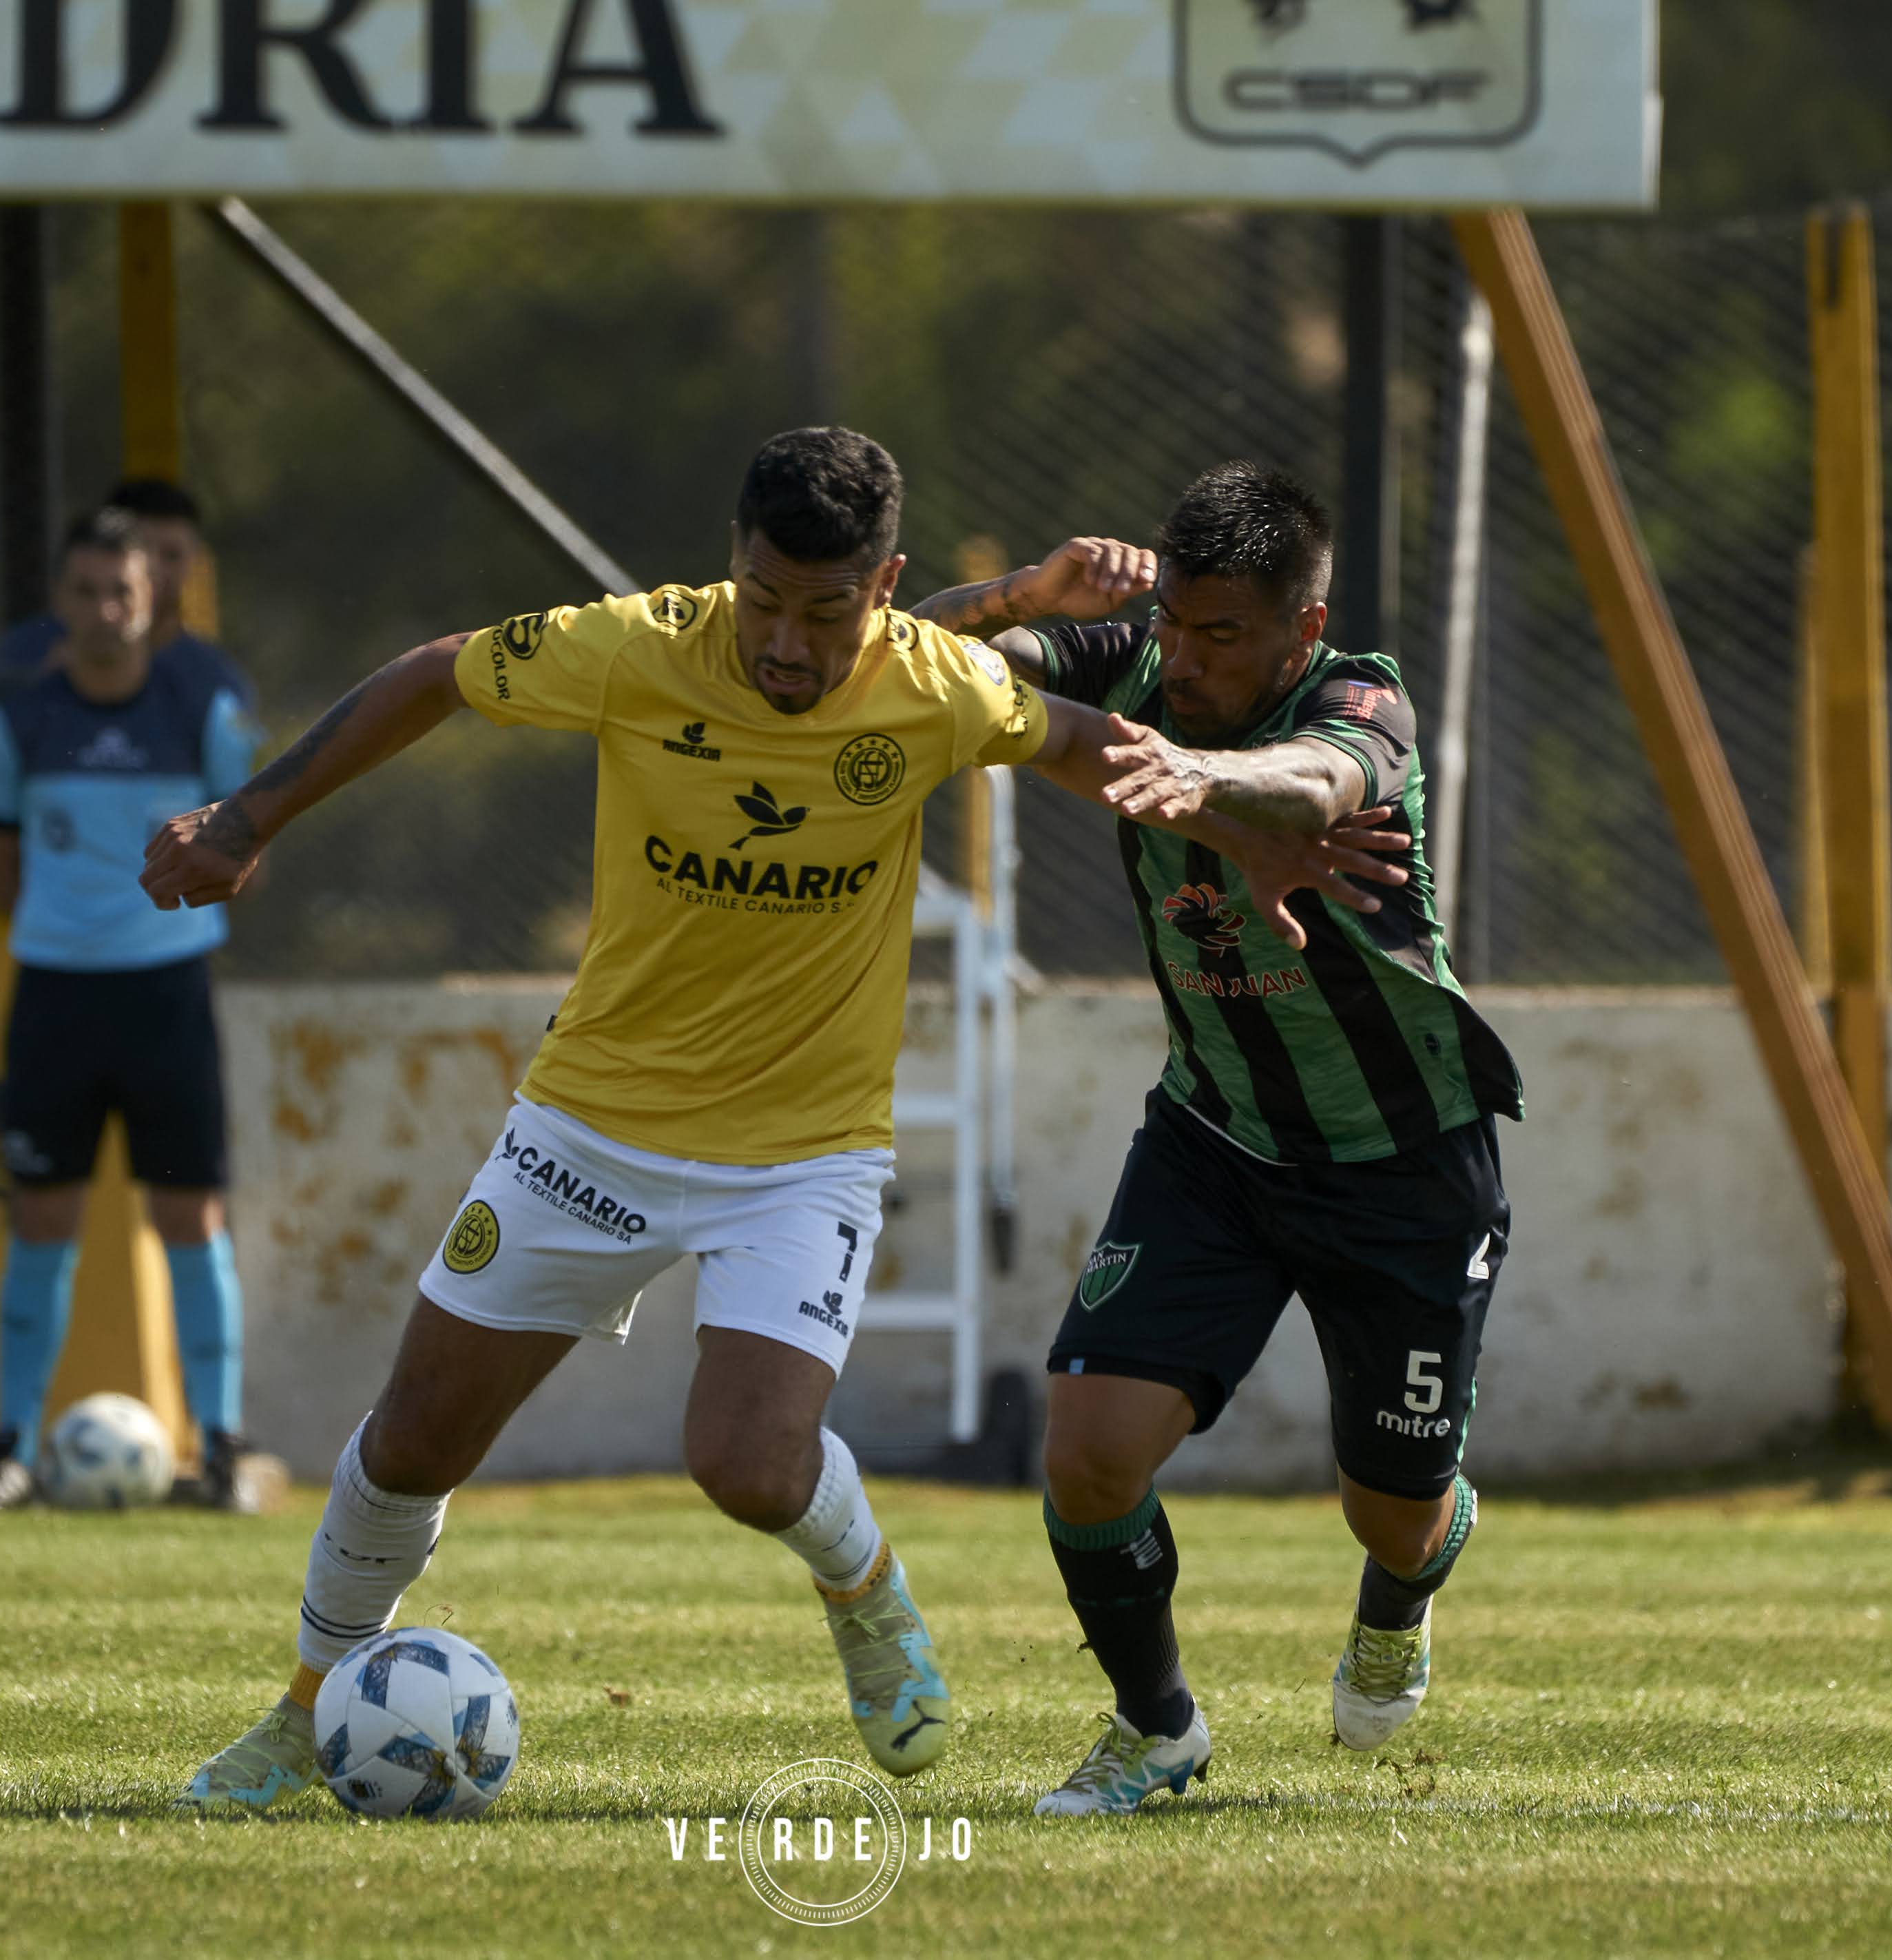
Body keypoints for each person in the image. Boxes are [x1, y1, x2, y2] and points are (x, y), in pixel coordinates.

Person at [136, 429, 1406, 1815]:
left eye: (825, 610)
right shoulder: (636, 648)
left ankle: (863, 1590)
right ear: (729, 566)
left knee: (745, 1463)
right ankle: (305, 1706)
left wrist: (1249, 823)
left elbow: (1091, 745)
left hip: (798, 1157)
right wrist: (252, 814)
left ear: (884, 586)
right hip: (586, 1126)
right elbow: (439, 669)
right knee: (413, 1439)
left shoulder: (930, 682)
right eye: (762, 602)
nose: (787, 647)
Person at [912, 462, 1521, 1815]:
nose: (1181, 660)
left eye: (1220, 636)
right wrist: (1024, 594)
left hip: (1402, 1165)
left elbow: (1313, 786)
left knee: (1391, 1507)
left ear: (1298, 630)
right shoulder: (1133, 656)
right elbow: (911, 666)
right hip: (1214, 1142)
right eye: (1174, 625)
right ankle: (1154, 1725)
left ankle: (1404, 1580)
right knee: (1084, 1452)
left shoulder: (1358, 701)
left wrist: (1208, 784)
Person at [0, 509, 275, 1513]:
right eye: (86, 592)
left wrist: (156, 923)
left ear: (152, 603)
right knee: (42, 1216)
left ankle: (220, 1444)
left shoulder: (205, 707)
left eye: (123, 594)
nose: (104, 613)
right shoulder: (19, 720)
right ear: (60, 602)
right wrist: (71, 929)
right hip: (54, 995)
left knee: (189, 1216)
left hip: (167, 996)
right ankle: (9, 1446)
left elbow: (250, 850)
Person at [0, 477, 228, 712]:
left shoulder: (216, 685)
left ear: (195, 562)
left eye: (172, 555)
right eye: (139, 548)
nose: (156, 571)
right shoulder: (21, 657)